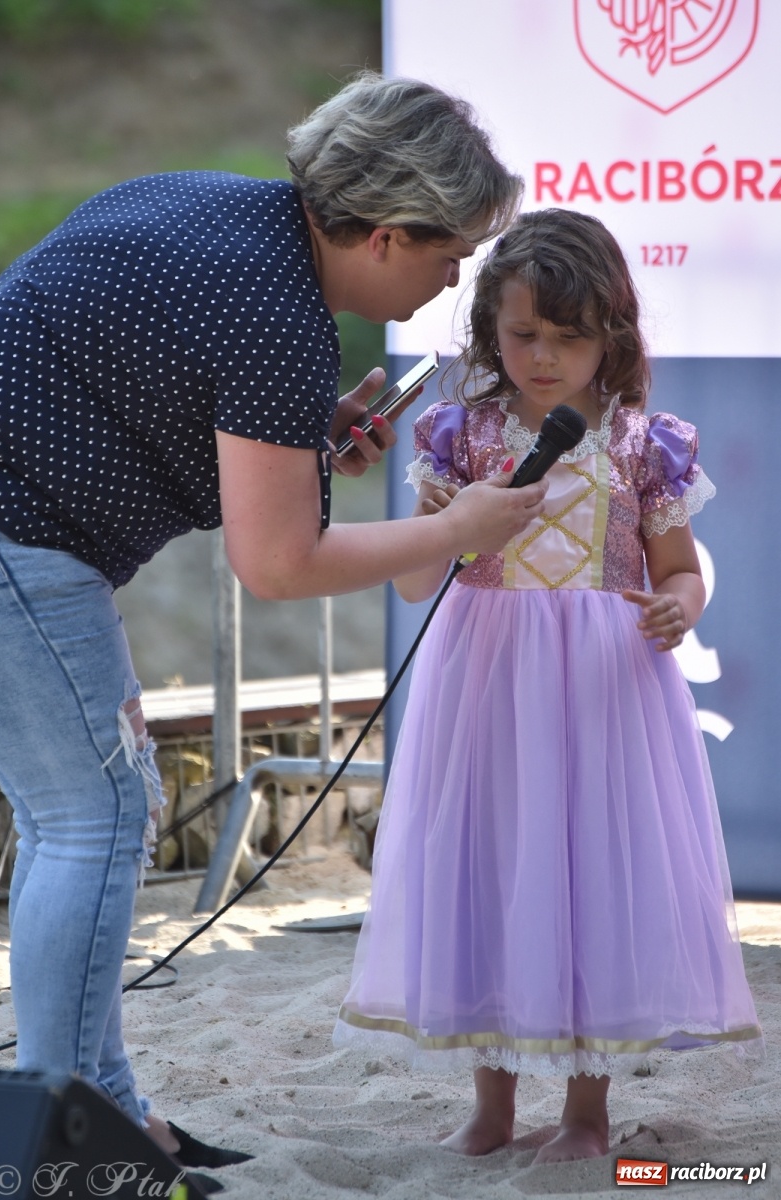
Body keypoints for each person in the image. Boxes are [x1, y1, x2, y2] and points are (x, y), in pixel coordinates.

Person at [0, 70, 548, 1172]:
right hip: (7, 533)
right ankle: (57, 1147)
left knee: (91, 813)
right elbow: (280, 565)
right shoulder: (272, 310)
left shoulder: (218, 213)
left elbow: (151, 374)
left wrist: (301, 429)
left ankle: (107, 1114)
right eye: (451, 254)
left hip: (7, 522)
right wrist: (458, 525)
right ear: (386, 234)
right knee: (91, 819)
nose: (454, 281)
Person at [333, 208, 763, 1164]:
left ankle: (584, 1111)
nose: (541, 357)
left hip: (604, 690)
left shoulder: (644, 444)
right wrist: (439, 522)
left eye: (567, 338)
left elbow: (679, 568)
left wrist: (680, 608)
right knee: (495, 868)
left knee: (587, 876)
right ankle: (491, 1105)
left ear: (610, 336)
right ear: (489, 326)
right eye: (522, 334)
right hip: (483, 682)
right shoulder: (455, 436)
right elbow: (411, 583)